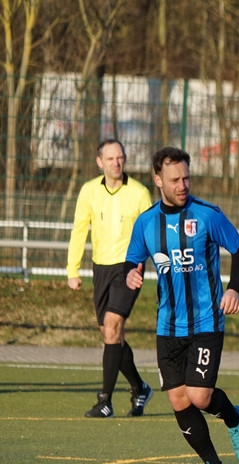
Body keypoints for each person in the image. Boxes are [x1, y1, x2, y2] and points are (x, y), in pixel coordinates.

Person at [124, 146, 239, 464]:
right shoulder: (146, 222)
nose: (183, 185)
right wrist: (131, 273)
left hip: (207, 321)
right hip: (167, 326)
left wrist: (233, 289)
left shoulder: (207, 215)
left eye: (186, 178)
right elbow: (133, 260)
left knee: (200, 396)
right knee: (178, 399)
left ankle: (234, 417)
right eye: (174, 180)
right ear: (158, 181)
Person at [67, 138, 154, 418]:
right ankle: (140, 387)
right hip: (101, 269)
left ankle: (105, 400)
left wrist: (141, 267)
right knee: (110, 335)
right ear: (99, 162)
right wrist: (73, 270)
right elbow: (79, 229)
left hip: (128, 269)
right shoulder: (89, 191)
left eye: (120, 157)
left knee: (113, 326)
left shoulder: (139, 193)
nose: (117, 163)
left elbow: (151, 235)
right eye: (110, 159)